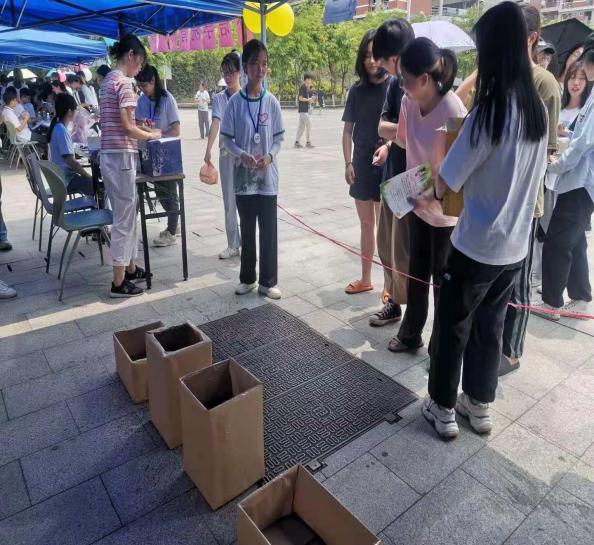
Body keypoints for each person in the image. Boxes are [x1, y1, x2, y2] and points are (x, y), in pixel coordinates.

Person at [423, 1, 548, 440]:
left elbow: (448, 179)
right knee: (490, 328)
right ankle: (478, 404)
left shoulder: (489, 114)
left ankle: (441, 407)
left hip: (475, 244)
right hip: (514, 247)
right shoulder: (537, 110)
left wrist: (433, 182)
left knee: (452, 326)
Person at [388, 38, 466, 354]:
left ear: (424, 79)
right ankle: (411, 333)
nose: (401, 86)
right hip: (416, 203)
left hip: (445, 214)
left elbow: (460, 172)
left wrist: (434, 196)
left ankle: (440, 346)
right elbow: (404, 141)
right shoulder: (408, 103)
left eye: (405, 80)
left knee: (441, 281)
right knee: (416, 273)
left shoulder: (453, 110)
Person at [499, 4, 560, 376]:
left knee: (518, 282)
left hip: (524, 203)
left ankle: (511, 351)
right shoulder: (499, 78)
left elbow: (547, 151)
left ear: (531, 38)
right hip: (495, 200)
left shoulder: (544, 82)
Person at [532, 43, 594, 320]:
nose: (581, 72)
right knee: (574, 240)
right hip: (579, 181)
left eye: (584, 65)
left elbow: (583, 144)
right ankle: (580, 296)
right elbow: (581, 136)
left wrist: (557, 164)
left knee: (557, 240)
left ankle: (551, 303)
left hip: (581, 182)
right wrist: (566, 134)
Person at [221, 39, 284, 300]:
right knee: (247, 230)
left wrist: (269, 156)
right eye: (255, 64)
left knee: (268, 231)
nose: (261, 69)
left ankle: (268, 282)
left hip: (267, 178)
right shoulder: (235, 103)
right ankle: (247, 278)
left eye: (264, 64)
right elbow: (227, 139)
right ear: (245, 67)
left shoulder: (272, 102)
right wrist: (242, 155)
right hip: (244, 179)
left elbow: (279, 139)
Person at [99, 35, 161, 298]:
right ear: (131, 55)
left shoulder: (107, 81)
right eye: (141, 61)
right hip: (122, 157)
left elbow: (119, 121)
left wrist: (139, 126)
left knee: (125, 213)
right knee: (124, 219)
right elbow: (126, 127)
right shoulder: (124, 83)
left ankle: (131, 268)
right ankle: (118, 281)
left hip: (108, 155)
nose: (140, 68)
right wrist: (150, 134)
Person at [369, 18, 414, 328]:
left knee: (405, 251)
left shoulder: (425, 83)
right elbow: (382, 126)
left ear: (396, 57)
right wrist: (393, 141)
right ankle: (393, 302)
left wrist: (400, 134)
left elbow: (426, 136)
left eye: (384, 62)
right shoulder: (395, 84)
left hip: (415, 181)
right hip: (393, 175)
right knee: (386, 243)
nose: (382, 68)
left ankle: (413, 316)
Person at [342, 30, 391, 296]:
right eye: (366, 55)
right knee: (366, 224)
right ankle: (365, 278)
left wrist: (388, 146)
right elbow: (347, 130)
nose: (371, 61)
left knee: (385, 228)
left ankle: (389, 285)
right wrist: (347, 162)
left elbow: (404, 126)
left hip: (387, 164)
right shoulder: (357, 91)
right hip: (361, 162)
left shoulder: (395, 86)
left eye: (376, 55)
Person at [135, 64, 181, 248]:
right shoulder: (142, 100)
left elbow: (176, 130)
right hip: (149, 153)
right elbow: (137, 124)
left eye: (145, 85)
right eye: (139, 86)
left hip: (166, 153)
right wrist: (145, 130)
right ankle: (174, 223)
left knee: (169, 192)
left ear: (153, 81)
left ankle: (171, 231)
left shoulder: (167, 99)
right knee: (160, 192)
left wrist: (157, 134)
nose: (142, 89)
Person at [205, 52, 242, 260]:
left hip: (245, 156)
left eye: (231, 72)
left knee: (246, 201)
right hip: (227, 155)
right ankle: (232, 244)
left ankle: (247, 243)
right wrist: (208, 149)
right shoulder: (220, 98)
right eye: (225, 73)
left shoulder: (247, 95)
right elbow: (215, 123)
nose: (228, 77)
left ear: (240, 72)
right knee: (229, 200)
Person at [47, 93, 94, 197]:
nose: (76, 112)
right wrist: (88, 176)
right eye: (75, 110)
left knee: (91, 182)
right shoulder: (62, 131)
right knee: (95, 184)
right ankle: (98, 206)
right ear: (69, 111)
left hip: (60, 176)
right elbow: (71, 162)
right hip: (65, 180)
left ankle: (96, 204)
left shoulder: (58, 127)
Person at [295, 73, 315, 148]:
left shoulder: (306, 88)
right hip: (303, 110)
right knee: (309, 124)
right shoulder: (303, 87)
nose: (310, 81)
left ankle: (297, 142)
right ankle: (308, 142)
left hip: (304, 110)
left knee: (301, 127)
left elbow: (306, 99)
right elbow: (300, 98)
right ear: (306, 79)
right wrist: (308, 100)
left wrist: (310, 100)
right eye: (309, 79)